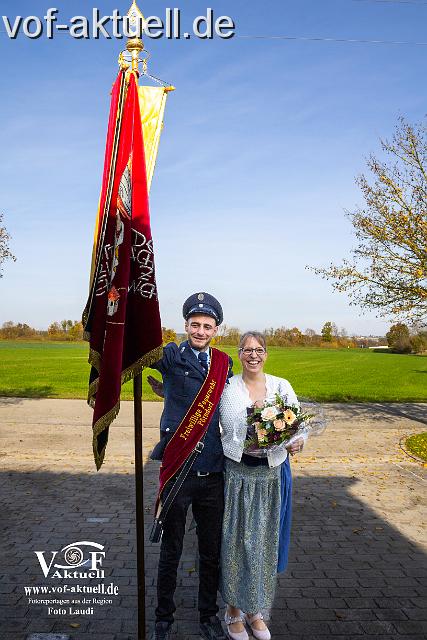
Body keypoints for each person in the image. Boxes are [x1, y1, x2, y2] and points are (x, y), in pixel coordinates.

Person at [148, 292, 233, 640]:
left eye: (207, 326)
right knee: (172, 548)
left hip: (212, 469)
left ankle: (207, 614)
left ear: (216, 329)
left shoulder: (224, 364)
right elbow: (137, 358)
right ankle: (163, 616)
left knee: (211, 550)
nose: (200, 331)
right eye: (195, 325)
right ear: (185, 325)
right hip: (179, 468)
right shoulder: (170, 355)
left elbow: (234, 408)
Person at [219, 331, 304, 640]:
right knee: (236, 544)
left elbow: (298, 427)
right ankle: (232, 612)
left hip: (270, 478)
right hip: (238, 477)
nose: (252, 355)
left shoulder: (281, 386)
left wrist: (297, 442)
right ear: (239, 354)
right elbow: (220, 426)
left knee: (263, 545)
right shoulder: (228, 387)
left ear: (266, 354)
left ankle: (256, 611)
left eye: (258, 349)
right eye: (246, 350)